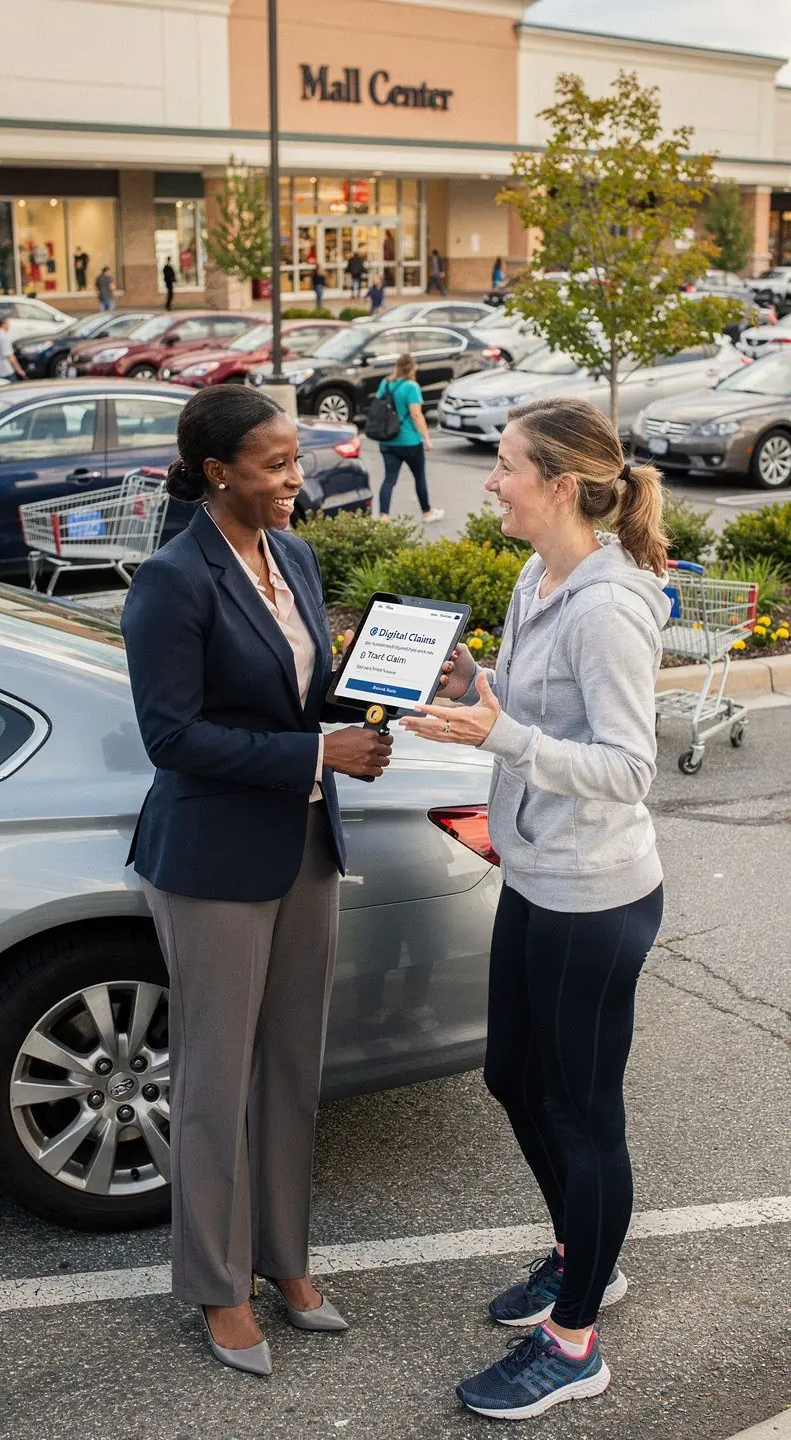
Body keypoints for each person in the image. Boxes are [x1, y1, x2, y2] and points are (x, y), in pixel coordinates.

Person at [401, 395, 671, 1422]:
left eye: (507, 464)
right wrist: (485, 685)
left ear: (559, 482)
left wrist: (500, 740)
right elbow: (532, 704)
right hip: (535, 872)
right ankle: (582, 1257)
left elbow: (629, 768)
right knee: (512, 1076)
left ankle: (575, 1340)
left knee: (581, 1112)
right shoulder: (536, 573)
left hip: (595, 897)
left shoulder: (607, 606)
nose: (492, 478)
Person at [120, 386, 392, 1377]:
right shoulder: (171, 580)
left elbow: (300, 697)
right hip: (213, 864)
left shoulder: (297, 557)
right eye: (276, 466)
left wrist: (380, 684)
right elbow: (173, 737)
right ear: (216, 472)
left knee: (290, 1070)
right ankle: (217, 1287)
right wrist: (320, 754)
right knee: (214, 1080)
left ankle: (285, 1262)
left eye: (295, 462)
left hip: (305, 850)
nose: (296, 481)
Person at [376, 353, 444, 525]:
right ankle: (427, 512)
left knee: (389, 479)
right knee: (419, 477)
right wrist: (427, 438)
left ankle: (384, 516)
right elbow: (416, 414)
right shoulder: (411, 387)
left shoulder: (385, 384)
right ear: (412, 368)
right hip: (409, 441)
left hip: (387, 440)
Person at [0, 315, 25, 381]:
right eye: (8, 324)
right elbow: (10, 357)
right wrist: (20, 370)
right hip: (5, 372)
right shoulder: (4, 338)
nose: (9, 326)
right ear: (3, 324)